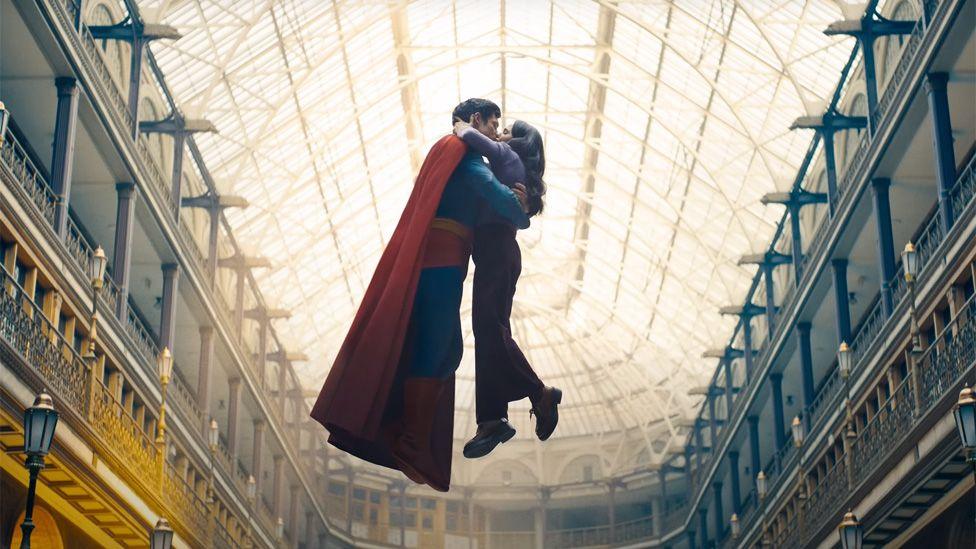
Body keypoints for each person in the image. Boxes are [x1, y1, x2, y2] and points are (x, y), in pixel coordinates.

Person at [310, 98, 528, 492]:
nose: (497, 133)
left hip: (441, 259)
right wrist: (519, 206)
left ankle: (410, 437)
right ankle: (410, 440)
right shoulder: (464, 152)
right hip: (443, 261)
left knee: (444, 347)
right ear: (476, 120)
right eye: (494, 124)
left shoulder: (448, 150)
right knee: (440, 346)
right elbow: (503, 202)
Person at [451, 118, 562, 458]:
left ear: (521, 142)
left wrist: (461, 126)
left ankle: (538, 392)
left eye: (507, 130)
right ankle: (491, 419)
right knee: (489, 333)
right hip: (495, 252)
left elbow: (471, 137)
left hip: (497, 250)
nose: (500, 133)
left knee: (487, 328)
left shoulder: (505, 156)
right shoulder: (506, 164)